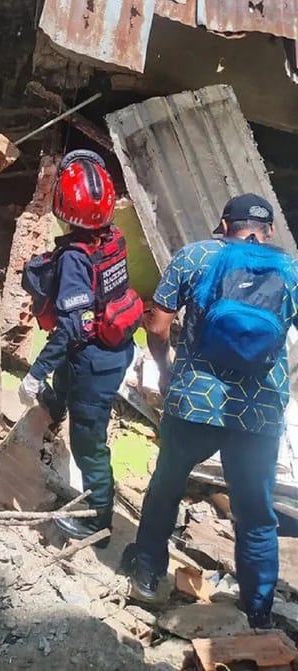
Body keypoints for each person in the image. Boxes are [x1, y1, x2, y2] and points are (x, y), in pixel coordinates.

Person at [127, 193, 298, 629]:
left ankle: (146, 577)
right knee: (256, 514)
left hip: (195, 401)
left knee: (166, 487)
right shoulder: (290, 269)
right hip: (257, 412)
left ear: (224, 225)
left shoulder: (194, 256)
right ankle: (258, 612)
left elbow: (159, 327)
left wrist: (166, 371)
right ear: (270, 230)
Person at [18, 150, 142, 543]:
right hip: (113, 349)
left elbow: (72, 326)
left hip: (93, 361)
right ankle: (53, 411)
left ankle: (98, 521)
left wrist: (36, 372)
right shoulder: (114, 239)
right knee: (66, 390)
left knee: (89, 444)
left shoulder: (75, 257)